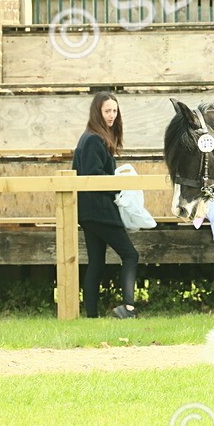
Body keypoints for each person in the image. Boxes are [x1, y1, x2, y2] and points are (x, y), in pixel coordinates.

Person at [72, 91, 139, 319]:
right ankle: (128, 308)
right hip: (98, 210)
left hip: (91, 211)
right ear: (98, 113)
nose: (112, 115)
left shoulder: (95, 137)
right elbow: (94, 177)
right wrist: (119, 185)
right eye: (107, 111)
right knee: (130, 255)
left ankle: (91, 316)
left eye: (114, 111)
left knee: (97, 263)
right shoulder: (92, 139)